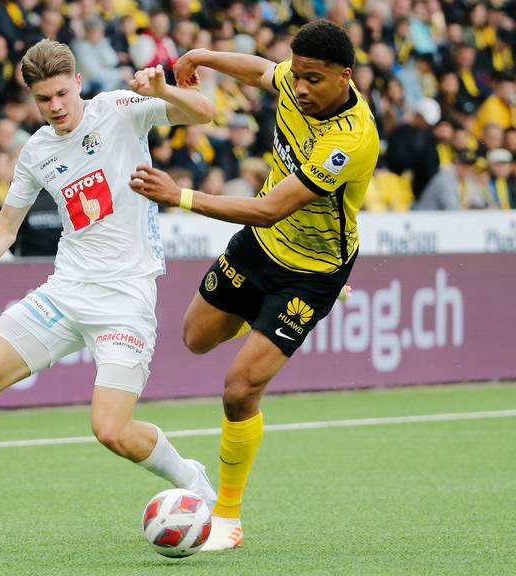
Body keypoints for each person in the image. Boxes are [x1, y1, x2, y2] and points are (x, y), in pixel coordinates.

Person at [0, 39, 217, 548]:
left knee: (111, 430)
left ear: (78, 83)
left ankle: (192, 480)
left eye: (61, 93)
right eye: (43, 99)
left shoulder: (120, 109)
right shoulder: (37, 149)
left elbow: (206, 113)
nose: (55, 106)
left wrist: (164, 88)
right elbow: (6, 224)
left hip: (125, 298)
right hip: (65, 291)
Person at [129, 20, 379, 551]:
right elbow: (266, 70)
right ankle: (261, 315)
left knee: (239, 388)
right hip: (259, 248)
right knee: (195, 337)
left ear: (345, 77)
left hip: (312, 272)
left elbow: (268, 209)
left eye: (315, 79)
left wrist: (181, 197)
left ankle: (228, 517)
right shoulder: (295, 80)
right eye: (300, 77)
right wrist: (201, 54)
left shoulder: (351, 140)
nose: (301, 88)